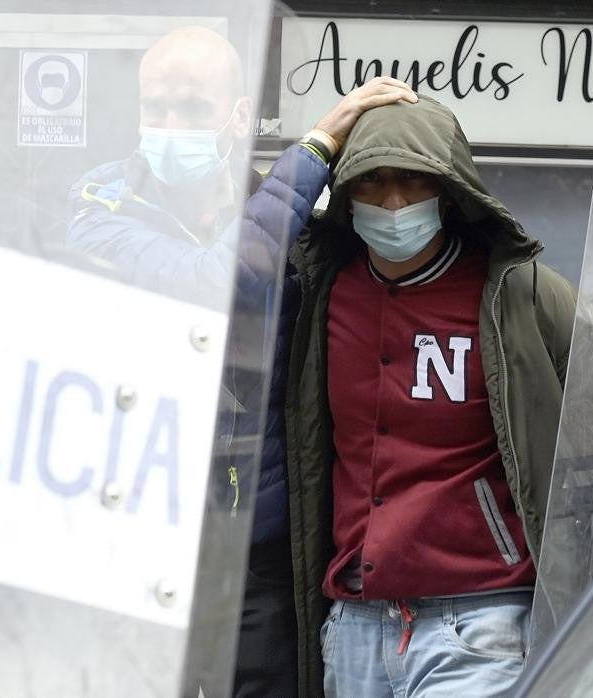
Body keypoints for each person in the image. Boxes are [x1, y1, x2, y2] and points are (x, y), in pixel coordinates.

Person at [65, 27, 418, 696]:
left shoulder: (298, 225)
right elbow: (214, 285)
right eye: (155, 107)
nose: (169, 125)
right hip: (133, 538)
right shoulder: (100, 204)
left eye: (192, 109)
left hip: (256, 553)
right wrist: (315, 148)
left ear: (235, 115)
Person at [281, 95, 576, 697]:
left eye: (413, 181)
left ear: (448, 190)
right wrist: (318, 141)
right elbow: (227, 260)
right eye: (373, 182)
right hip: (355, 624)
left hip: (480, 618)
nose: (393, 203)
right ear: (346, 195)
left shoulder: (518, 294)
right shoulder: (319, 295)